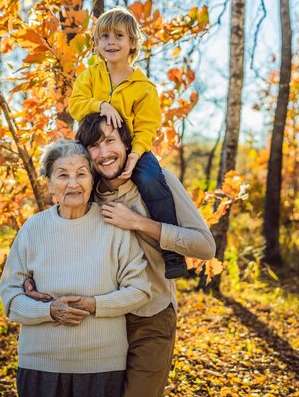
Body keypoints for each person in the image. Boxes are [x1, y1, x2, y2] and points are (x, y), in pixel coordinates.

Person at [25, 113, 216, 397]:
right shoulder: (87, 192)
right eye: (94, 146)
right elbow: (55, 235)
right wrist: (30, 277)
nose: (104, 154)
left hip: (151, 314)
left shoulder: (158, 184)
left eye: (110, 141)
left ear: (126, 144)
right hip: (101, 321)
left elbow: (204, 246)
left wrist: (139, 222)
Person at [0, 139, 152, 397]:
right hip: (40, 363)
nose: (73, 183)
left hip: (102, 365)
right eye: (62, 175)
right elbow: (10, 298)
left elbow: (140, 289)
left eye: (81, 174)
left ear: (92, 180)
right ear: (49, 183)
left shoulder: (113, 226)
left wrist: (94, 304)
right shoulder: (33, 229)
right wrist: (49, 310)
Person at [68, 6, 187, 279]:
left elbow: (147, 127)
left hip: (131, 148)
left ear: (132, 43)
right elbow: (75, 105)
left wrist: (136, 155)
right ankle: (69, 233)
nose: (111, 42)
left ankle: (172, 251)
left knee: (149, 178)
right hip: (91, 143)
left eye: (119, 36)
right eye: (105, 36)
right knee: (71, 173)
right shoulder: (90, 75)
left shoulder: (143, 87)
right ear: (96, 44)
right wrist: (101, 104)